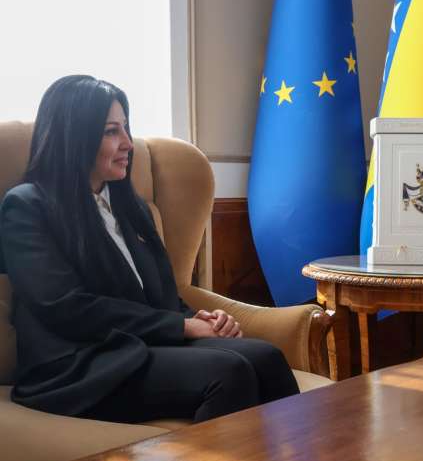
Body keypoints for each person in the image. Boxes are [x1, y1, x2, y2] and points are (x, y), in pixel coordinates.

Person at [0, 75, 299, 424]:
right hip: (76, 365)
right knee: (229, 372)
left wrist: (197, 318)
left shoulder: (131, 207)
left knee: (267, 357)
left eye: (126, 128)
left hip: (140, 345)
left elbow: (160, 293)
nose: (128, 143)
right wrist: (181, 327)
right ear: (74, 136)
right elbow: (65, 307)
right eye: (111, 131)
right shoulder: (27, 206)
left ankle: (300, 459)